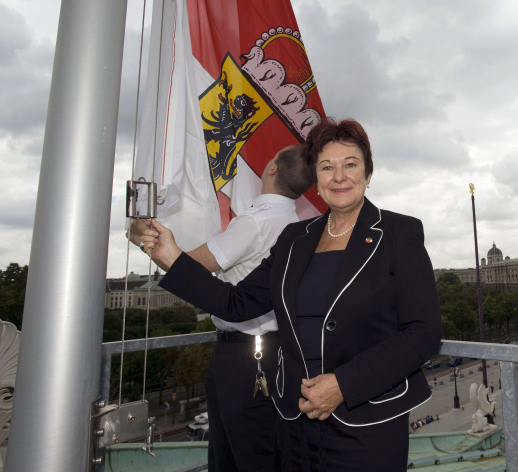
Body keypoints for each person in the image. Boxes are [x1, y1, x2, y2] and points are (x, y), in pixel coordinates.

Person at [142, 118, 442, 471]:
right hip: (295, 422)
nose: (339, 176)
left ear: (368, 173)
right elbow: (236, 304)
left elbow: (423, 333)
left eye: (350, 164)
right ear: (316, 178)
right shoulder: (294, 239)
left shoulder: (399, 233)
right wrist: (171, 257)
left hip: (368, 424)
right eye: (327, 167)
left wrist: (343, 385)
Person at [129, 145, 313, 472]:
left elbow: (190, 266)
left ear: (272, 169)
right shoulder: (291, 221)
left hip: (246, 359)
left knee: (237, 456)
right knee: (258, 451)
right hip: (270, 353)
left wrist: (145, 240)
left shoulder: (256, 222)